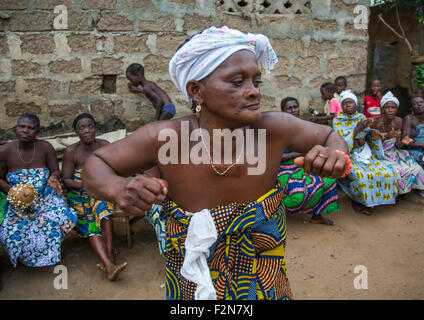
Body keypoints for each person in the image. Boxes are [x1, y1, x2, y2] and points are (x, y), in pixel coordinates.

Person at [82, 26, 349, 300]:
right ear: (197, 91)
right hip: (193, 276)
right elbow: (95, 165)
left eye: (256, 82)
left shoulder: (274, 128)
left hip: (264, 274)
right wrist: (117, 188)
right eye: (237, 82)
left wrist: (336, 155)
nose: (253, 92)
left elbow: (330, 136)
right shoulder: (165, 137)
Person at [0, 114, 77, 267]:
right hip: (18, 203)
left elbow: (55, 170)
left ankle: (52, 250)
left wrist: (53, 179)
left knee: (61, 217)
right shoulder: (5, 150)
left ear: (37, 131)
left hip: (44, 197)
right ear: (16, 129)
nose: (25, 131)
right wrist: (13, 191)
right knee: (10, 231)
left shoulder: (45, 147)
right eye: (22, 127)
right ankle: (25, 258)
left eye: (30, 128)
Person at [61, 113, 127, 281]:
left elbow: (116, 168)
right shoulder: (72, 151)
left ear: (95, 128)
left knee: (104, 211)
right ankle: (109, 263)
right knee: (90, 221)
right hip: (80, 193)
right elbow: (67, 180)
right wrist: (86, 185)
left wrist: (103, 183)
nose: (87, 131)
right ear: (76, 132)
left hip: (100, 190)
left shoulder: (104, 145)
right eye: (82, 128)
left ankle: (109, 256)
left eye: (90, 126)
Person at [332, 90, 398, 215]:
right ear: (342, 106)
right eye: (345, 103)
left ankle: (372, 201)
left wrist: (373, 134)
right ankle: (357, 200)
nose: (348, 105)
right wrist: (357, 130)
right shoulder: (337, 121)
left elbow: (368, 134)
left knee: (387, 172)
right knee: (360, 176)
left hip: (364, 153)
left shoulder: (362, 118)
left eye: (350, 102)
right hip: (349, 155)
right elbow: (340, 142)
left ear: (356, 104)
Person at [279, 97, 338, 224]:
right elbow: (281, 158)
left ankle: (317, 216)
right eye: (289, 108)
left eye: (295, 107)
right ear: (283, 111)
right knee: (298, 194)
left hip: (303, 164)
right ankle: (273, 212)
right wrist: (304, 151)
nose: (293, 110)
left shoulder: (304, 126)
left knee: (329, 180)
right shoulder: (278, 130)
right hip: (283, 169)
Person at [357, 92, 424, 196]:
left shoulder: (398, 121)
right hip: (378, 153)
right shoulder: (374, 121)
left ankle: (413, 190)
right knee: (395, 172)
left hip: (393, 152)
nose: (390, 110)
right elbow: (369, 142)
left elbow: (398, 145)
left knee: (415, 168)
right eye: (387, 107)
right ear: (382, 109)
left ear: (396, 109)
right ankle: (395, 194)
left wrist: (402, 141)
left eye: (393, 107)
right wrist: (387, 136)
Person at [401, 96, 424, 167]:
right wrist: (422, 145)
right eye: (415, 104)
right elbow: (406, 141)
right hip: (415, 149)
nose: (419, 104)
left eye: (421, 102)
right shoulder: (409, 119)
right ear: (411, 108)